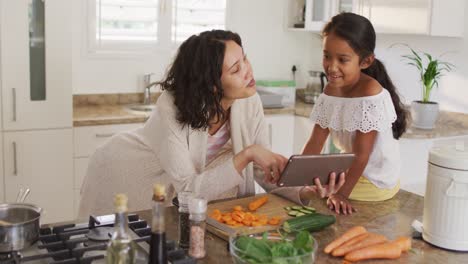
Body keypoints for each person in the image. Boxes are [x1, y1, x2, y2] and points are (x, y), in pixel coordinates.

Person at [78, 30, 344, 217]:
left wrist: (304, 191)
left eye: (245, 60)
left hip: (181, 194)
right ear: (211, 84)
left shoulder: (249, 100)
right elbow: (188, 190)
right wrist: (248, 154)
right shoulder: (171, 106)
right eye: (236, 69)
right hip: (127, 172)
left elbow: (264, 170)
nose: (248, 71)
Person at [302, 13, 408, 215]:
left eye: (343, 60)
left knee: (318, 198)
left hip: (375, 179)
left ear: (365, 61)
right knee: (308, 189)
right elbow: (315, 142)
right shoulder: (331, 91)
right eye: (326, 56)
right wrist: (295, 176)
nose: (331, 67)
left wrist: (341, 194)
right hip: (353, 169)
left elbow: (362, 155)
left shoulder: (370, 94)